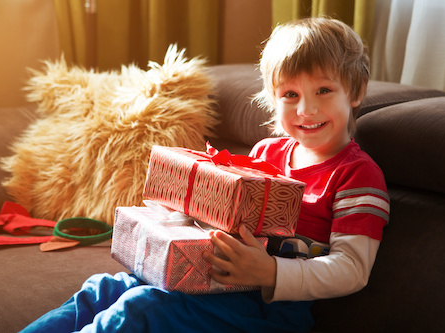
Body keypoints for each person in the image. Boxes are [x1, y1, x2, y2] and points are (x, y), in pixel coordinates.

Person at [20, 17, 389, 333]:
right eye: (290, 94)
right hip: (204, 278)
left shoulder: (356, 175)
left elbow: (352, 269)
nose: (306, 108)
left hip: (265, 307)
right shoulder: (264, 154)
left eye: (323, 90)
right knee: (102, 288)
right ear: (272, 100)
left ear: (355, 92)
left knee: (141, 308)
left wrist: (270, 272)